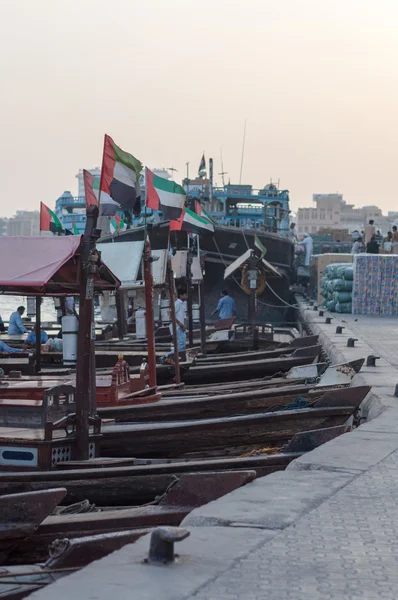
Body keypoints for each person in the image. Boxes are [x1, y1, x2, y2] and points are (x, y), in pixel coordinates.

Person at [162, 290, 188, 364]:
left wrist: (184, 325)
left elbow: (184, 316)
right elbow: (172, 315)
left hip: (181, 327)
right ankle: (166, 356)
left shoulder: (182, 304)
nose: (186, 297)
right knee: (181, 346)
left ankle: (176, 358)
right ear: (181, 296)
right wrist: (180, 324)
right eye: (185, 295)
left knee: (182, 345)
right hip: (178, 327)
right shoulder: (177, 303)